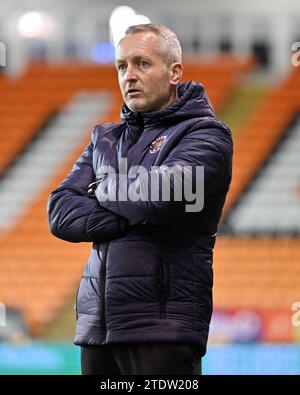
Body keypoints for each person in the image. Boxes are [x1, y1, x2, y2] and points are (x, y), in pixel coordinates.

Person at [47, 23, 233, 375]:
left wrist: (102, 188)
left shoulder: (206, 133)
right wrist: (130, 211)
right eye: (121, 66)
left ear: (175, 71)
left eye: (142, 64)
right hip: (97, 329)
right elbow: (60, 212)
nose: (129, 76)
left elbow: (159, 198)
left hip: (163, 328)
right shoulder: (105, 137)